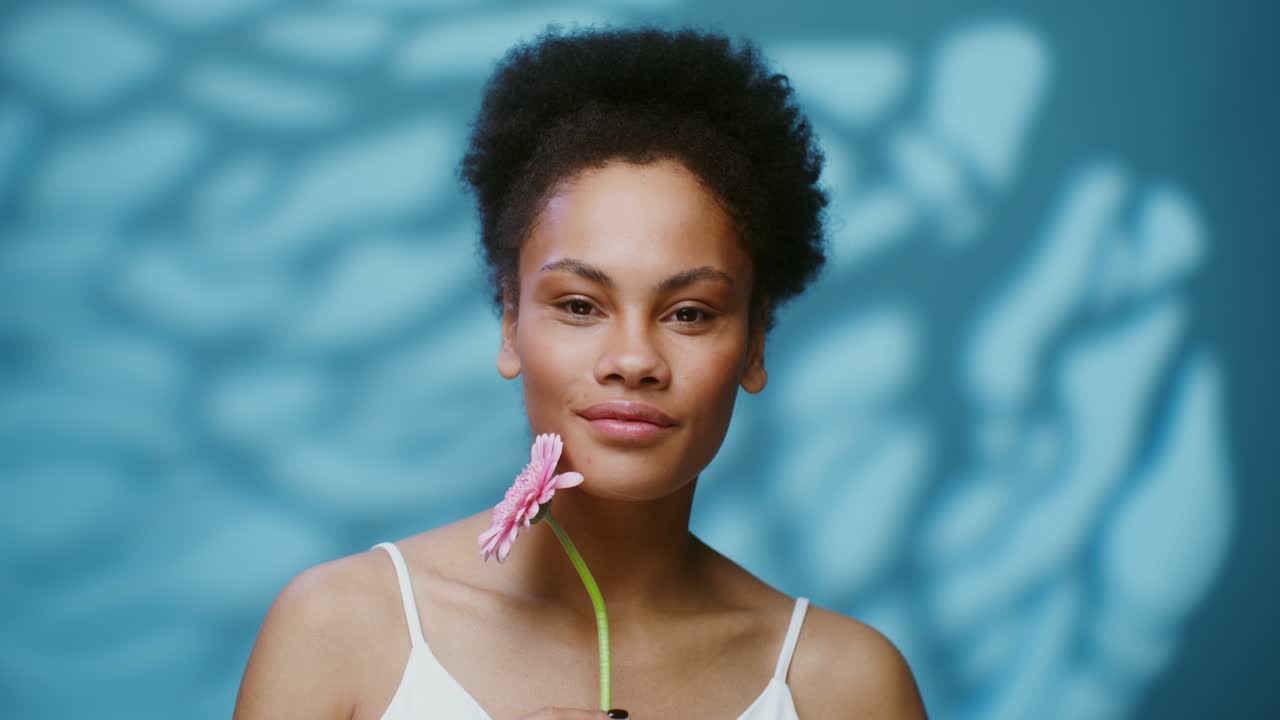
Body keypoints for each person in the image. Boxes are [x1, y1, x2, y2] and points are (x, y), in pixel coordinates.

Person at [234, 26, 927, 719]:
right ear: (510, 323)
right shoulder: (338, 634)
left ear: (754, 344)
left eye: (689, 313)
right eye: (579, 304)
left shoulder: (847, 687)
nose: (632, 360)